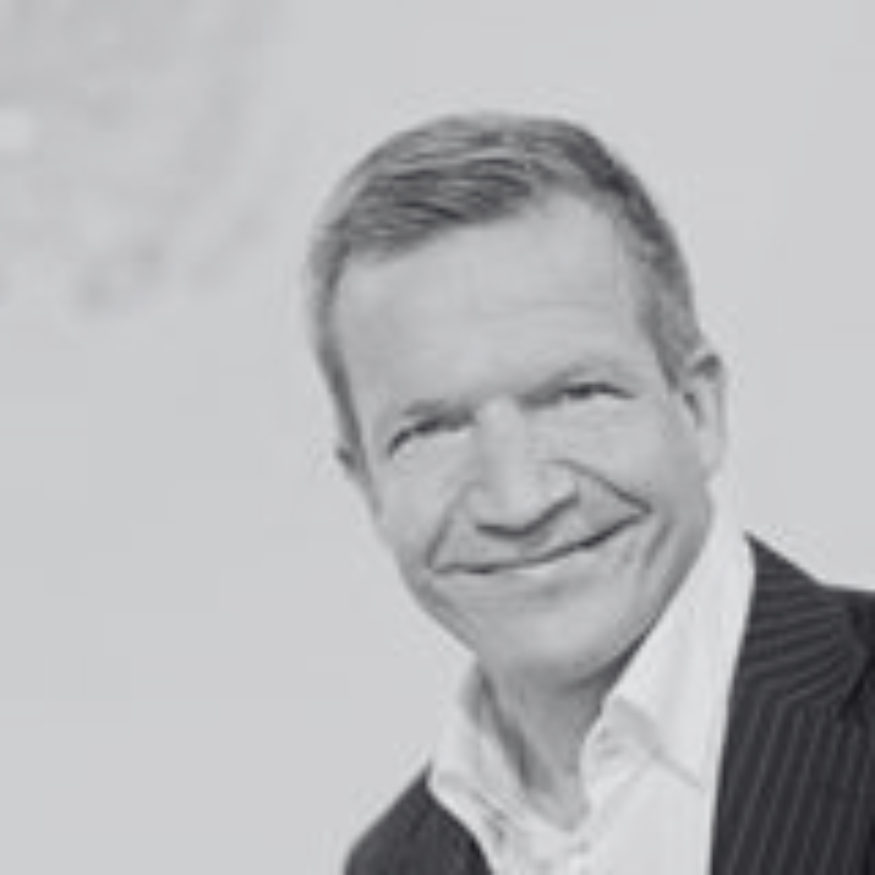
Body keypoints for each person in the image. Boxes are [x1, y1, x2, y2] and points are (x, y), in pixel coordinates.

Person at [304, 112, 875, 874]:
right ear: (367, 485)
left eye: (575, 394)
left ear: (697, 410)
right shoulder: (389, 864)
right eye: (432, 429)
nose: (519, 500)